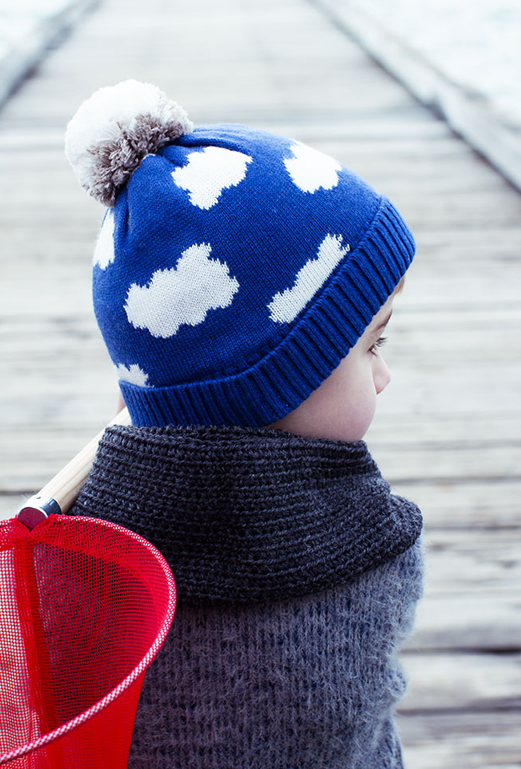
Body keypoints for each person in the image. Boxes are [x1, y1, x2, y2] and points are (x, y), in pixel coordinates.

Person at [64, 79, 424, 768]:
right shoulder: (372, 550)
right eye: (370, 346)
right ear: (274, 377)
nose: (384, 375)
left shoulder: (81, 562)